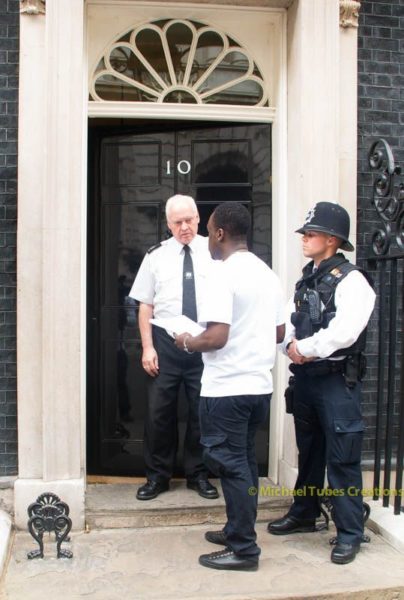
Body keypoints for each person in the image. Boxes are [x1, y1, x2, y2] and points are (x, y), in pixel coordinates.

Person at [174, 202, 285, 571]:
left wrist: (189, 341)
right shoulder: (267, 274)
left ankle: (244, 549)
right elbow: (280, 332)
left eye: (209, 229)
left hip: (226, 389)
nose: (206, 237)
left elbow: (217, 337)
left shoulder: (223, 274)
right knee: (246, 464)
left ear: (220, 233)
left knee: (233, 466)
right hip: (258, 387)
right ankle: (238, 528)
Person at [267, 201, 376, 565]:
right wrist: (289, 348)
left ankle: (349, 532)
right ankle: (304, 513)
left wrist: (305, 349)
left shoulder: (353, 281)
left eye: (310, 234)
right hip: (307, 380)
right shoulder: (306, 279)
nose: (304, 238)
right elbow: (286, 322)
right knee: (309, 453)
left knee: (342, 460)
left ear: (331, 240)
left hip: (335, 381)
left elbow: (344, 332)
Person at [129, 194, 218, 501]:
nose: (184, 227)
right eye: (177, 222)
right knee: (158, 415)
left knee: (201, 414)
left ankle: (198, 475)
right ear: (168, 224)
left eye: (189, 220)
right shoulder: (156, 256)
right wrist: (147, 348)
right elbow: (145, 306)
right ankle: (157, 478)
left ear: (198, 218)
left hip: (205, 345)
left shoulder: (215, 252)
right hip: (166, 345)